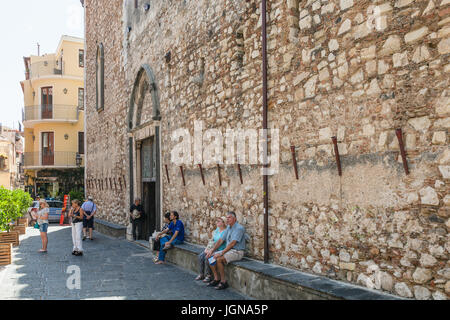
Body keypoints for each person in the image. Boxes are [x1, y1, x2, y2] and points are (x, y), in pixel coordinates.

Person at [205, 211, 246, 290]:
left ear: (235, 219)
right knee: (210, 257)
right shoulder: (228, 228)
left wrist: (221, 253)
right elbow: (220, 240)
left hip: (237, 251)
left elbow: (233, 243)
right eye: (226, 218)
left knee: (219, 259)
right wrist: (212, 250)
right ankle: (216, 279)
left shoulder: (239, 228)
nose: (227, 219)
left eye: (229, 217)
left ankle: (223, 282)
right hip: (228, 250)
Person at [195, 216, 227, 282]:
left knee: (208, 257)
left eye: (219, 221)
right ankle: (201, 274)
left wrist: (211, 251)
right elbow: (211, 240)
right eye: (217, 221)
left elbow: (220, 243)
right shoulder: (217, 230)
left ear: (223, 223)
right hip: (213, 248)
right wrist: (207, 249)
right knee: (201, 256)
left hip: (220, 249)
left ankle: (208, 275)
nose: (217, 222)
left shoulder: (225, 232)